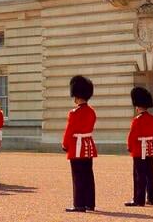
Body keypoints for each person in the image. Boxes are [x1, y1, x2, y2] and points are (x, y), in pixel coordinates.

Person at [64, 75, 98, 213]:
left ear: (77, 96)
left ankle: (79, 204)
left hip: (77, 147)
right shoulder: (91, 111)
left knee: (78, 176)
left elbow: (69, 130)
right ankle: (90, 203)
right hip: (88, 146)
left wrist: (65, 145)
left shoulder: (74, 113)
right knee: (88, 175)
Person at [123, 86, 153, 208]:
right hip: (148, 148)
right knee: (150, 174)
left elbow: (132, 135)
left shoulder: (137, 120)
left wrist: (129, 147)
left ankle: (139, 199)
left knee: (139, 175)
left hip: (138, 149)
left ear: (138, 106)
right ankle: (151, 198)